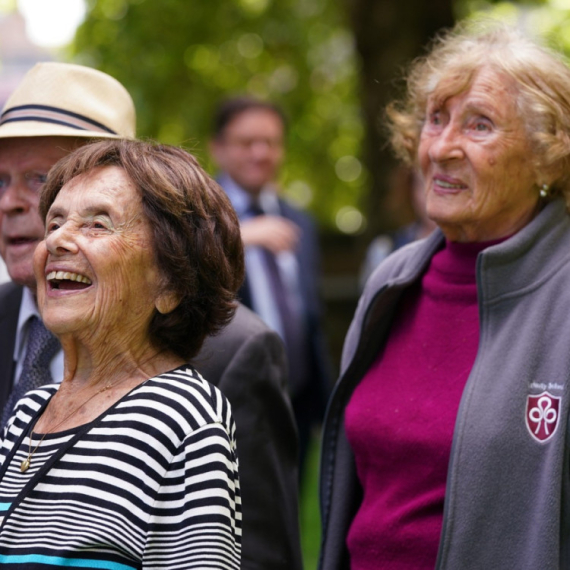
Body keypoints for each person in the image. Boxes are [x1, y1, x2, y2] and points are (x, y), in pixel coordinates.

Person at [0, 63, 302, 570]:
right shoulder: (29, 412)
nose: (12, 203)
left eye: (40, 179)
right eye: (56, 216)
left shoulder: (208, 388)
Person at [319, 21, 570, 570]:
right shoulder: (392, 282)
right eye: (435, 119)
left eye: (480, 125)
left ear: (548, 153)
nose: (442, 147)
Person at [0, 138, 242, 567]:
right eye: (54, 223)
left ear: (170, 282)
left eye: (97, 224)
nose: (57, 241)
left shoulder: (183, 416)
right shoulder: (29, 410)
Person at [210, 96, 331, 472]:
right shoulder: (197, 217)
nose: (261, 153)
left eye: (271, 142)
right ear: (219, 148)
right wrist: (238, 237)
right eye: (247, 143)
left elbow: (308, 311)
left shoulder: (300, 221)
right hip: (225, 402)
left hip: (297, 401)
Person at [359, 166, 436, 287]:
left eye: (445, 185)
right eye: (422, 184)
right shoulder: (385, 249)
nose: (433, 197)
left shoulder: (473, 250)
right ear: (409, 190)